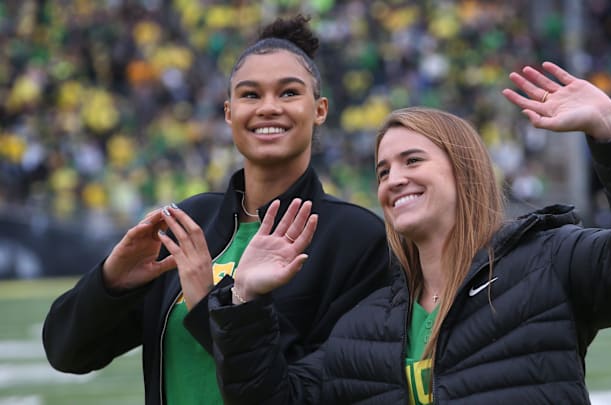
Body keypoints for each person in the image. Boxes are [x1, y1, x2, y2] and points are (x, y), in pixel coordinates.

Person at [206, 61, 611, 404]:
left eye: (412, 160)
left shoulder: (545, 262)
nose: (394, 179)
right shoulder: (369, 322)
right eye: (382, 172)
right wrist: (245, 300)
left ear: (463, 170)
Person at [41, 15, 389, 405]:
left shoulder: (357, 239)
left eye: (289, 93)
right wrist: (112, 282)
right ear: (228, 113)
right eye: (250, 95)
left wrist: (212, 301)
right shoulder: (189, 224)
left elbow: (320, 390)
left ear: (320, 109)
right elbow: (66, 352)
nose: (268, 108)